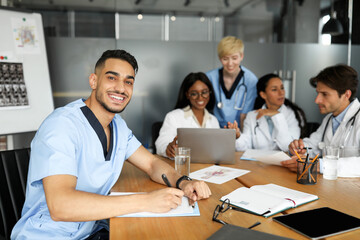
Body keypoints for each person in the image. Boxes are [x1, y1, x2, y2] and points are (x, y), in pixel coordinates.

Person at [11, 50, 211, 239]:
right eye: (112, 77)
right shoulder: (61, 125)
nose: (121, 88)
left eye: (128, 82)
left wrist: (184, 182)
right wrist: (146, 201)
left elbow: (151, 164)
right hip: (49, 235)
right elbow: (60, 206)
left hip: (90, 229)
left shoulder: (118, 126)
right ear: (94, 80)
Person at [283, 64, 360, 177]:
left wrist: (321, 165)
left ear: (346, 95)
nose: (317, 100)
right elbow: (314, 146)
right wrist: (298, 149)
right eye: (318, 93)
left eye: (325, 94)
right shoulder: (329, 119)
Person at [155, 72, 240, 158]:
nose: (200, 98)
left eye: (204, 92)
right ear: (187, 95)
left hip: (207, 168)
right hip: (184, 167)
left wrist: (230, 137)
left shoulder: (213, 120)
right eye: (194, 94)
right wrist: (168, 149)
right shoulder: (173, 116)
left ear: (210, 92)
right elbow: (161, 143)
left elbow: (218, 150)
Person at [233, 73, 306, 151]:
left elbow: (288, 147)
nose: (281, 93)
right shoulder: (252, 116)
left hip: (283, 162)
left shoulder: (293, 114)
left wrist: (277, 115)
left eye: (282, 88)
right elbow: (244, 147)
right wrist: (237, 136)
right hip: (258, 162)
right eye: (274, 89)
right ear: (263, 94)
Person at [206, 36, 258, 130]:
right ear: (219, 58)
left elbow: (244, 116)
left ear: (241, 56)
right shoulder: (209, 78)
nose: (230, 63)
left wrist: (240, 139)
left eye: (234, 58)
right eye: (225, 59)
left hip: (238, 130)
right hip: (214, 129)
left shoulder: (251, 80)